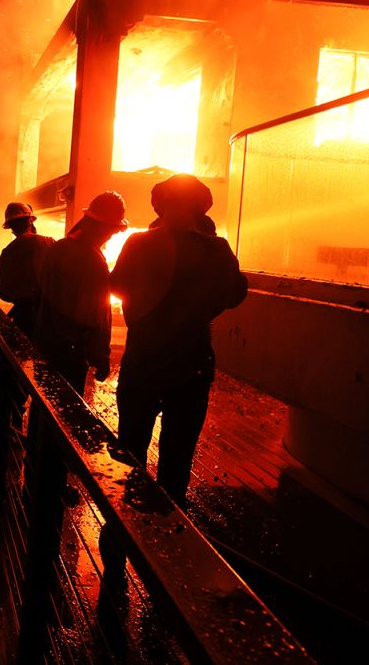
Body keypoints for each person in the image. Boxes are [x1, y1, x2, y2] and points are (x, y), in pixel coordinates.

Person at [109, 174, 248, 506]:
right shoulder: (217, 248)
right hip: (191, 366)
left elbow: (116, 286)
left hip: (142, 361)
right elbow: (234, 294)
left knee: (130, 448)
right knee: (178, 454)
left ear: (159, 205)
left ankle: (123, 525)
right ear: (202, 209)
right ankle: (168, 526)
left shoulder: (138, 243)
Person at [35, 191, 129, 394]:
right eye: (112, 230)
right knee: (65, 411)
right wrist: (101, 357)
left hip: (46, 343)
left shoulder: (58, 248)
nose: (111, 236)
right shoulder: (94, 261)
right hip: (72, 353)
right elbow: (98, 314)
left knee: (43, 404)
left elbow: (42, 291)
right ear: (102, 227)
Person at [0, 202, 56, 335]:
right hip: (50, 317)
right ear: (30, 221)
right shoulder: (49, 243)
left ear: (11, 227)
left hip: (23, 318)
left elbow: (2, 291)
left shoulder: (7, 252)